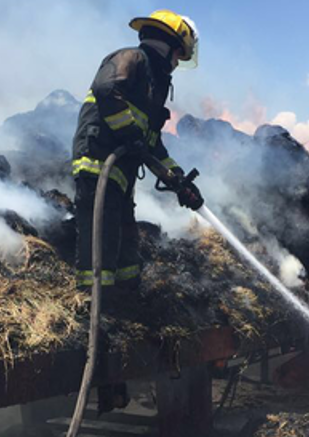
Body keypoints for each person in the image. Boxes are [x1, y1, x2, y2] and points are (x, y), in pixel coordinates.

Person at [71, 9, 204, 299]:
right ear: (168, 46)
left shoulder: (154, 84)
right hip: (99, 162)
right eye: (178, 55)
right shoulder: (131, 59)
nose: (176, 63)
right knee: (102, 238)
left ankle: (126, 301)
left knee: (126, 243)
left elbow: (151, 143)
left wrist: (177, 178)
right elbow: (106, 89)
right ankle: (93, 304)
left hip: (121, 173)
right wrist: (129, 133)